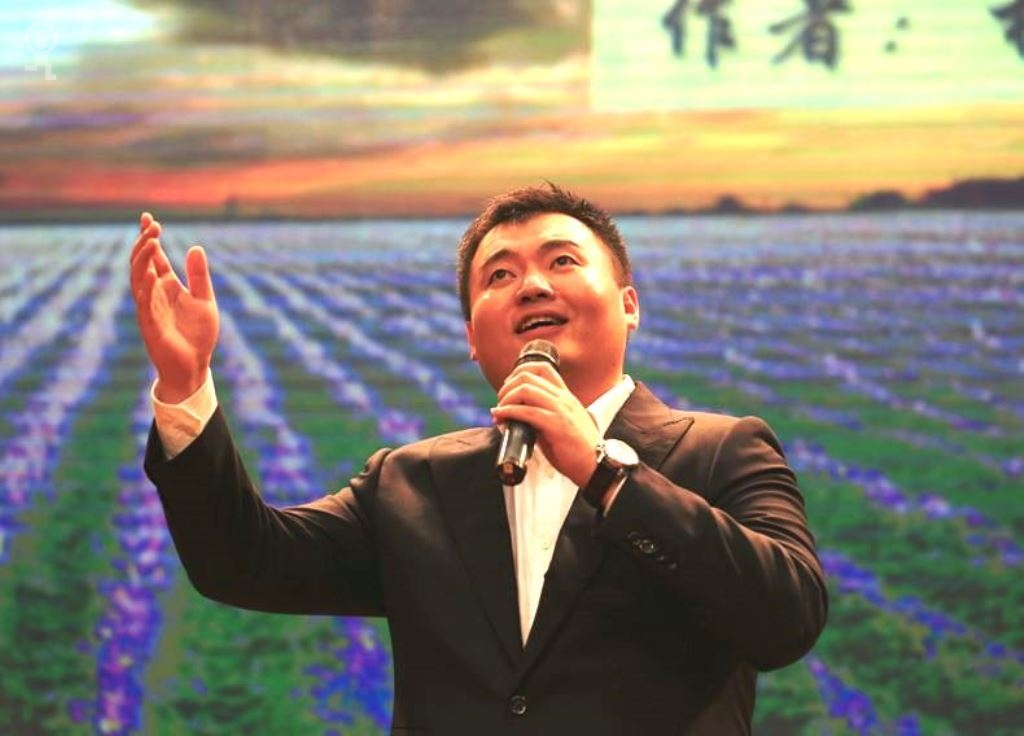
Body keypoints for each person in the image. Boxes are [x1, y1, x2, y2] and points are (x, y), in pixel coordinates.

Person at [130, 183, 827, 735]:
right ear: (471, 336)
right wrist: (186, 386)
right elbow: (242, 561)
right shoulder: (410, 484)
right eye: (499, 275)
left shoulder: (721, 450)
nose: (531, 286)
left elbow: (786, 618)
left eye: (562, 261)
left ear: (629, 305)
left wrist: (605, 472)